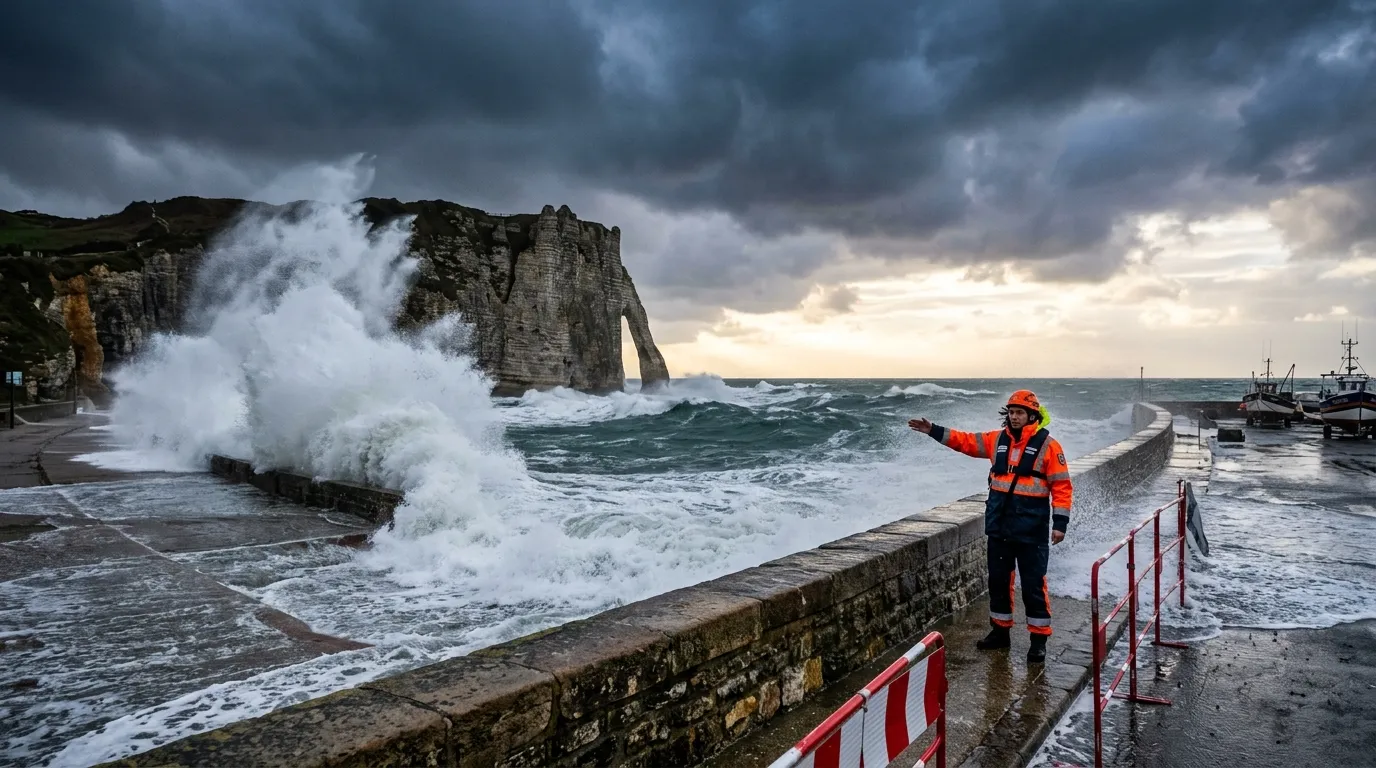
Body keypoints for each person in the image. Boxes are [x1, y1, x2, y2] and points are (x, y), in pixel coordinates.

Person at [908, 390, 1072, 664]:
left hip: (1032, 529)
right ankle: (1000, 632)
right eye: (1011, 412)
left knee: (1033, 585)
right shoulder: (997, 440)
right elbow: (966, 441)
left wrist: (1060, 524)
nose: (1015, 417)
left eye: (1020, 412)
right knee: (997, 582)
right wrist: (933, 430)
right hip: (999, 526)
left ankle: (1038, 640)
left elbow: (1062, 486)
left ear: (1032, 415)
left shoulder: (1049, 446)